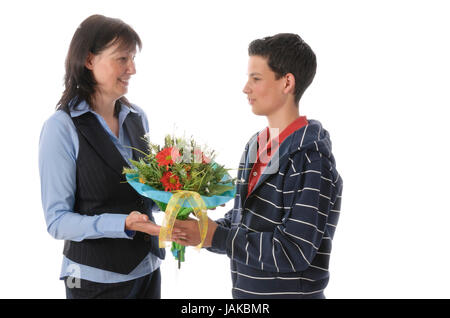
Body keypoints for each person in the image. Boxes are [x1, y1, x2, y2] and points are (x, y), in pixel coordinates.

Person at [172, 33, 343, 299]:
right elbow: (244, 222)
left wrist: (214, 236)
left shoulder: (311, 160)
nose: (245, 88)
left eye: (256, 78)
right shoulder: (256, 145)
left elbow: (294, 250)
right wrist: (198, 228)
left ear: (287, 82)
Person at [39, 14, 169, 299]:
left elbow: (143, 194)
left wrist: (179, 198)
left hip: (148, 269)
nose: (132, 68)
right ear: (89, 61)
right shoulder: (61, 128)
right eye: (122, 58)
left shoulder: (137, 118)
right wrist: (122, 224)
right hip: (93, 281)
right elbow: (57, 221)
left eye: (132, 58)